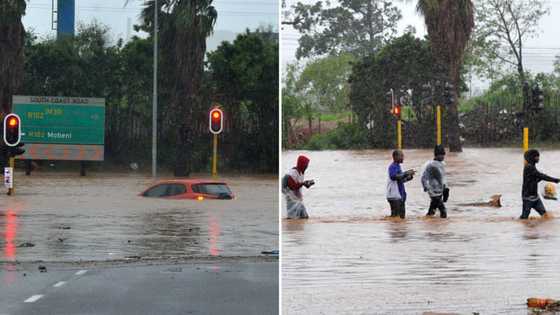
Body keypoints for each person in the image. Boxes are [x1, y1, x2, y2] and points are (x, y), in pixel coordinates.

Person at [520, 149, 559, 219]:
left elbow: (533, 180)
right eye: (537, 156)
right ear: (532, 157)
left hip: (536, 198)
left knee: (545, 216)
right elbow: (540, 175)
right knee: (524, 219)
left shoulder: (532, 167)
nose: (538, 158)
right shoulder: (529, 167)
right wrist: (555, 180)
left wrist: (540, 178)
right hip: (527, 198)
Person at [421, 145, 449, 218]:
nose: (443, 157)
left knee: (432, 211)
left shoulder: (442, 164)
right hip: (433, 192)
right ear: (436, 155)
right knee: (443, 211)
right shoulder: (431, 165)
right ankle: (442, 227)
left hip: (439, 191)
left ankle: (429, 224)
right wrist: (426, 188)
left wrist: (446, 188)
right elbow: (423, 177)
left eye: (443, 155)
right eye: (441, 155)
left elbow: (443, 178)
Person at [386, 150, 415, 219]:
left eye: (403, 156)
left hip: (399, 195)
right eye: (401, 156)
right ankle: (395, 229)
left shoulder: (398, 166)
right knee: (396, 217)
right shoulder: (392, 166)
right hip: (394, 195)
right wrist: (406, 173)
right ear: (395, 157)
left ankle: (399, 229)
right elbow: (393, 177)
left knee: (401, 217)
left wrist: (408, 177)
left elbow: (400, 180)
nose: (403, 158)